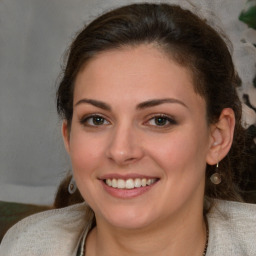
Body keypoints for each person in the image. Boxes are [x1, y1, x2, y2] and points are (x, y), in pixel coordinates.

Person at [0, 2, 256, 256]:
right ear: (68, 137)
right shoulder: (26, 246)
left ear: (217, 137)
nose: (121, 151)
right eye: (97, 120)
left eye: (159, 120)